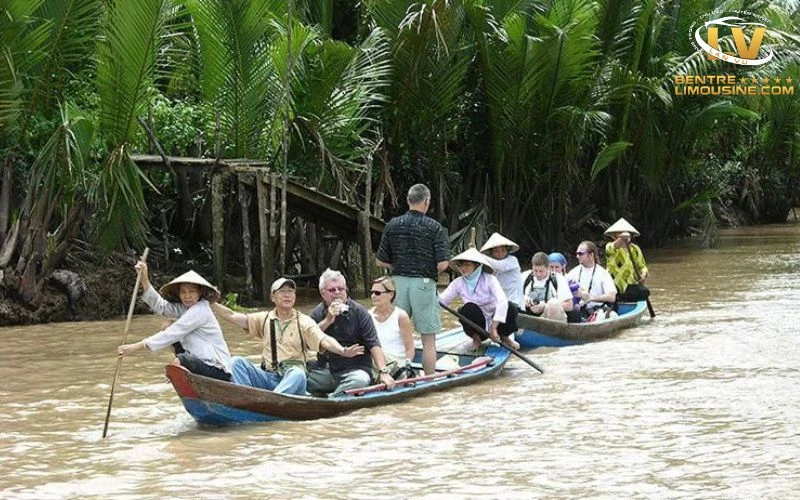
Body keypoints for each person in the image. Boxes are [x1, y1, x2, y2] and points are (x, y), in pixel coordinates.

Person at [211, 277, 363, 395]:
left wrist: (343, 351)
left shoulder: (303, 321)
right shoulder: (264, 318)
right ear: (273, 297)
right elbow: (232, 316)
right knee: (236, 362)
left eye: (290, 291)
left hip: (291, 378)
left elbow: (324, 339)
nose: (287, 295)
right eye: (282, 292)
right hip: (268, 376)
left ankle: (272, 401)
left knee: (298, 373)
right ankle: (245, 398)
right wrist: (210, 302)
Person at [377, 183, 450, 375]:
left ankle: (393, 373)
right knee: (428, 340)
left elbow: (380, 260)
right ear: (426, 202)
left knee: (397, 333)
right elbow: (443, 264)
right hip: (424, 284)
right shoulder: (434, 227)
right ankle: (429, 380)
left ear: (408, 200)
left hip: (397, 283)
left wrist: (398, 267)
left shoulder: (392, 224)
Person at [118, 262, 232, 381]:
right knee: (167, 325)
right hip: (199, 361)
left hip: (217, 369)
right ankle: (181, 368)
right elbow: (161, 306)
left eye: (192, 291)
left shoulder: (201, 309)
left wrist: (137, 346)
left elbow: (175, 331)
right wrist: (144, 279)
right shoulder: (185, 308)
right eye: (183, 292)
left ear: (200, 292)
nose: (187, 296)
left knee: (181, 358)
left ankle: (180, 367)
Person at [308, 269, 396, 396]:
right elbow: (307, 341)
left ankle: (332, 399)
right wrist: (328, 320)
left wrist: (383, 372)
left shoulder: (359, 312)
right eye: (332, 290)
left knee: (360, 380)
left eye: (341, 289)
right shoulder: (317, 313)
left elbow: (374, 344)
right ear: (323, 294)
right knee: (299, 376)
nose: (337, 293)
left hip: (354, 371)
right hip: (326, 371)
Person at [438, 247, 520, 351]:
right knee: (467, 308)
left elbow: (502, 301)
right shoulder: (458, 283)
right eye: (461, 265)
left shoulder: (490, 279)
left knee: (510, 306)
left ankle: (504, 337)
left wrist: (494, 327)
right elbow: (442, 301)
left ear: (476, 266)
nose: (463, 268)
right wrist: (431, 293)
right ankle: (476, 339)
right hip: (477, 324)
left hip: (496, 322)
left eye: (467, 264)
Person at [368, 276, 415, 378]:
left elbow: (409, 348)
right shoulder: (368, 315)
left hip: (395, 362)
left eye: (377, 293)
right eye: (372, 292)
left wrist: (407, 365)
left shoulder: (401, 316)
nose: (373, 296)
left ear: (390, 294)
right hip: (376, 360)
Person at [566, 241, 617, 320]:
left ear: (591, 255)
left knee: (610, 315)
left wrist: (590, 298)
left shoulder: (602, 273)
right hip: (578, 310)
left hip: (597, 310)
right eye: (577, 253)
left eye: (580, 253)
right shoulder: (573, 272)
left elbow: (612, 297)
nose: (577, 256)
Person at [604, 218, 651, 303]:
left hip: (630, 285)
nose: (625, 236)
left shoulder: (635, 249)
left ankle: (622, 299)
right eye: (619, 234)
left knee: (645, 292)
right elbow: (612, 247)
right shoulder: (610, 246)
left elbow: (643, 266)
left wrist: (643, 275)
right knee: (614, 291)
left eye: (627, 234)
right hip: (614, 285)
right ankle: (616, 298)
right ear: (614, 236)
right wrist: (622, 239)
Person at [520, 252, 573, 322]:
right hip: (528, 317)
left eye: (541, 271)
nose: (538, 274)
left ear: (548, 268)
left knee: (553, 303)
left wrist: (545, 306)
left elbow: (569, 305)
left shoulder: (558, 278)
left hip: (550, 319)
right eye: (535, 271)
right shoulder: (524, 276)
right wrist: (523, 299)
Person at [480, 232, 523, 309]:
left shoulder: (512, 260)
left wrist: (480, 256)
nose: (500, 253)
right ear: (492, 253)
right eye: (496, 251)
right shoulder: (492, 267)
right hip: (500, 304)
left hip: (514, 304)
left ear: (507, 250)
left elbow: (500, 266)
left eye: (503, 250)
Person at [548, 251, 582, 322]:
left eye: (557, 267)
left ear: (563, 266)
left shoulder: (569, 279)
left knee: (576, 309)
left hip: (565, 306)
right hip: (549, 306)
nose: (554, 270)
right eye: (551, 267)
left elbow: (579, 295)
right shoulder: (544, 278)